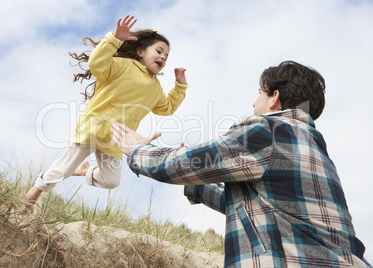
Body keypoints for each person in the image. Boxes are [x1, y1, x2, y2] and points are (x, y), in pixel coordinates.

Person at [110, 61, 371, 267]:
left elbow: (183, 163)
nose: (253, 102)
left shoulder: (269, 131)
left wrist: (137, 149)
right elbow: (259, 207)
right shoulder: (313, 148)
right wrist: (197, 187)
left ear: (274, 98)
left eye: (259, 93)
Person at [24, 15, 188, 209]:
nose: (163, 57)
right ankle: (35, 191)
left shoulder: (155, 88)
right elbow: (97, 64)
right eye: (159, 51)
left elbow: (167, 108)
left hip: (116, 138)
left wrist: (180, 85)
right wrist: (115, 39)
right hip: (94, 127)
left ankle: (85, 171)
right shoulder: (124, 66)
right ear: (140, 51)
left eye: (166, 56)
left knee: (111, 181)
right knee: (64, 168)